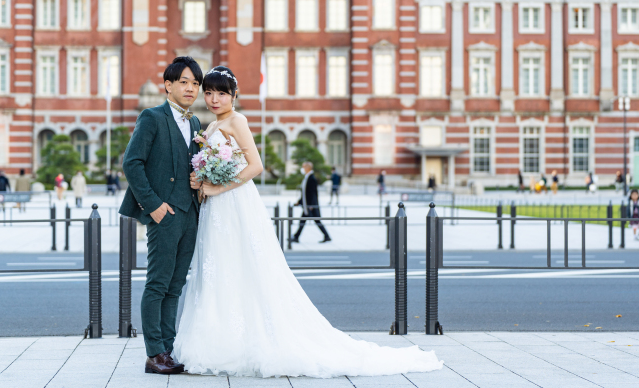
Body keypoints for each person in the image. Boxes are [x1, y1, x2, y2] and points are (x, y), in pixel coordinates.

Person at [173, 66, 442, 377]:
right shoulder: (210, 126)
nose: (213, 98)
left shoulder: (237, 120)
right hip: (214, 208)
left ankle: (239, 343)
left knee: (242, 267)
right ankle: (218, 341)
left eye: (221, 92)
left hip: (233, 204)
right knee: (218, 268)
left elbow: (256, 165)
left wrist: (219, 186)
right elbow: (210, 164)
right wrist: (201, 180)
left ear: (235, 95)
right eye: (209, 92)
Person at [119, 57, 204, 375]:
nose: (190, 88)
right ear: (168, 85)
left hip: (190, 213)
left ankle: (167, 349)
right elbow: (132, 163)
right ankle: (154, 353)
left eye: (195, 83)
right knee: (157, 284)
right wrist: (153, 206)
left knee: (176, 285)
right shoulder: (152, 117)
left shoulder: (195, 123)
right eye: (184, 81)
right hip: (164, 214)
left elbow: (190, 166)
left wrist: (198, 180)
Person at [292, 161, 331, 244]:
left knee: (315, 221)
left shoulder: (311, 178)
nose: (302, 169)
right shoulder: (307, 177)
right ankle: (296, 236)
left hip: (310, 205)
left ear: (307, 168)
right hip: (307, 205)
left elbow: (313, 193)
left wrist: (311, 205)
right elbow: (305, 193)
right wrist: (299, 202)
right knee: (305, 221)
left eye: (303, 167)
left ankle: (327, 236)